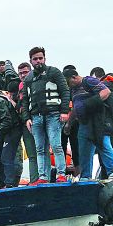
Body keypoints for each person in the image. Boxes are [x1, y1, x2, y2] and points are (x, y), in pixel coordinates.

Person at [24, 46, 71, 184]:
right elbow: (25, 100)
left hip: (54, 115)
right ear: (31, 61)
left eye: (40, 58)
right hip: (36, 117)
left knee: (56, 145)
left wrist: (64, 111)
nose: (38, 61)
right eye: (35, 59)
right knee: (40, 148)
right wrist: (26, 118)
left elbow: (65, 91)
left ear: (44, 58)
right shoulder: (29, 78)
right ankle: (43, 177)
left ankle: (60, 174)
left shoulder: (54, 72)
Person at [65, 68, 113, 180]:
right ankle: (85, 176)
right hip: (83, 123)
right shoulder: (73, 90)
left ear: (74, 77)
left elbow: (106, 92)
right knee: (84, 150)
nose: (68, 85)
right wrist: (69, 124)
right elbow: (76, 108)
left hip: (98, 120)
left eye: (68, 82)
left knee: (104, 144)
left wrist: (87, 104)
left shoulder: (89, 81)